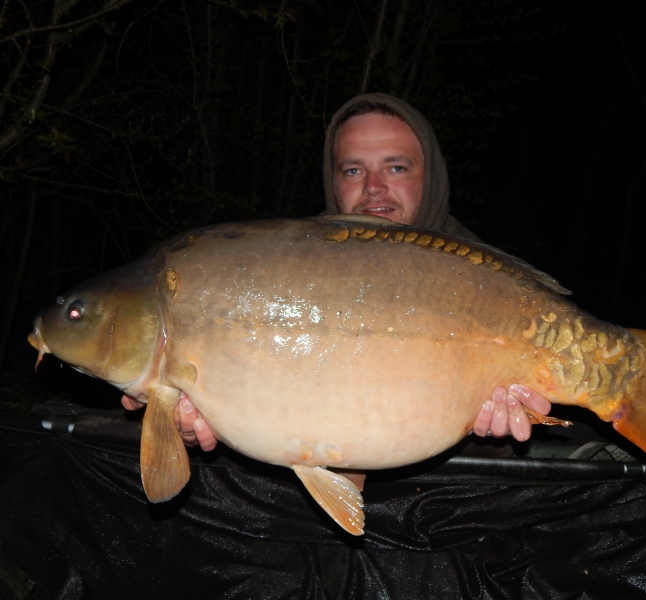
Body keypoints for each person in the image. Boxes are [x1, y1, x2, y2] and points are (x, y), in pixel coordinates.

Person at [122, 93, 553, 450]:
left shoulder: (482, 276)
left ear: (432, 176)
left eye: (396, 167)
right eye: (353, 170)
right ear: (334, 183)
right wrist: (193, 428)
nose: (373, 187)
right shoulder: (285, 265)